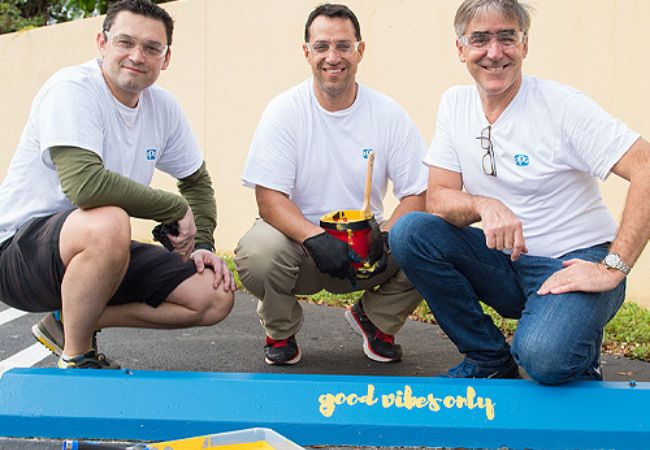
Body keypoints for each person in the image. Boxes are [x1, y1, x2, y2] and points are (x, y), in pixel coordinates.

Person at [390, 0, 650, 384]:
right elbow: (439, 197)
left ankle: (577, 348)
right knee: (410, 232)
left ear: (524, 45)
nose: (494, 52)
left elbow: (646, 165)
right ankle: (488, 359)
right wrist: (484, 204)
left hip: (575, 262)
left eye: (506, 37)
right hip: (506, 261)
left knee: (545, 359)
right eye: (480, 39)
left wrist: (612, 267)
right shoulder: (455, 104)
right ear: (461, 48)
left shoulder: (562, 107)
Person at [0, 0, 236, 369]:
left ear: (166, 58)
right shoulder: (72, 89)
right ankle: (78, 355)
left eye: (151, 48)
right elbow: (86, 186)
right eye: (125, 42)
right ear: (102, 43)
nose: (137, 56)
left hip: (98, 250)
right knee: (109, 219)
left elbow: (196, 181)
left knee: (214, 295)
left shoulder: (163, 108)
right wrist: (174, 208)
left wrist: (202, 242)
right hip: (20, 253)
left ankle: (70, 320)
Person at [235, 3, 427, 366]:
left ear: (360, 51)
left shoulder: (388, 114)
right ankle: (280, 329)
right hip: (300, 244)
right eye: (321, 46)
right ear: (306, 53)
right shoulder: (284, 111)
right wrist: (314, 237)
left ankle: (376, 320)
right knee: (259, 251)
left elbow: (417, 193)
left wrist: (385, 235)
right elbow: (269, 199)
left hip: (365, 245)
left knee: (429, 238)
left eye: (343, 45)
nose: (332, 57)